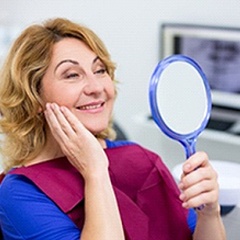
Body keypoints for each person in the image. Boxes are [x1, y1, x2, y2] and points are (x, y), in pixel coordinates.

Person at [0, 18, 226, 240]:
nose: (97, 87)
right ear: (34, 97)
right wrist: (95, 172)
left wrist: (209, 214)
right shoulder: (20, 193)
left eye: (99, 70)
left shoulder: (142, 160)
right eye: (72, 75)